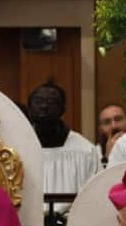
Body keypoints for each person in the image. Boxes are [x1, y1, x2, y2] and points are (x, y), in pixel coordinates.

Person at [26, 82, 98, 218]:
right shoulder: (18, 147)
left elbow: (94, 196)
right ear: (29, 107)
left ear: (63, 109)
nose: (44, 106)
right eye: (38, 101)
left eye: (51, 102)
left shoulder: (85, 151)